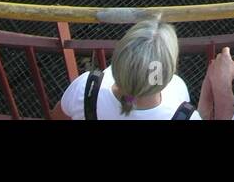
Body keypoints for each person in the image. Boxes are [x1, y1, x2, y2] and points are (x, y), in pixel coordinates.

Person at [52, 16, 200, 120]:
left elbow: (58, 116)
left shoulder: (86, 89)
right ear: (168, 74)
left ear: (118, 61)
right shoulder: (183, 108)